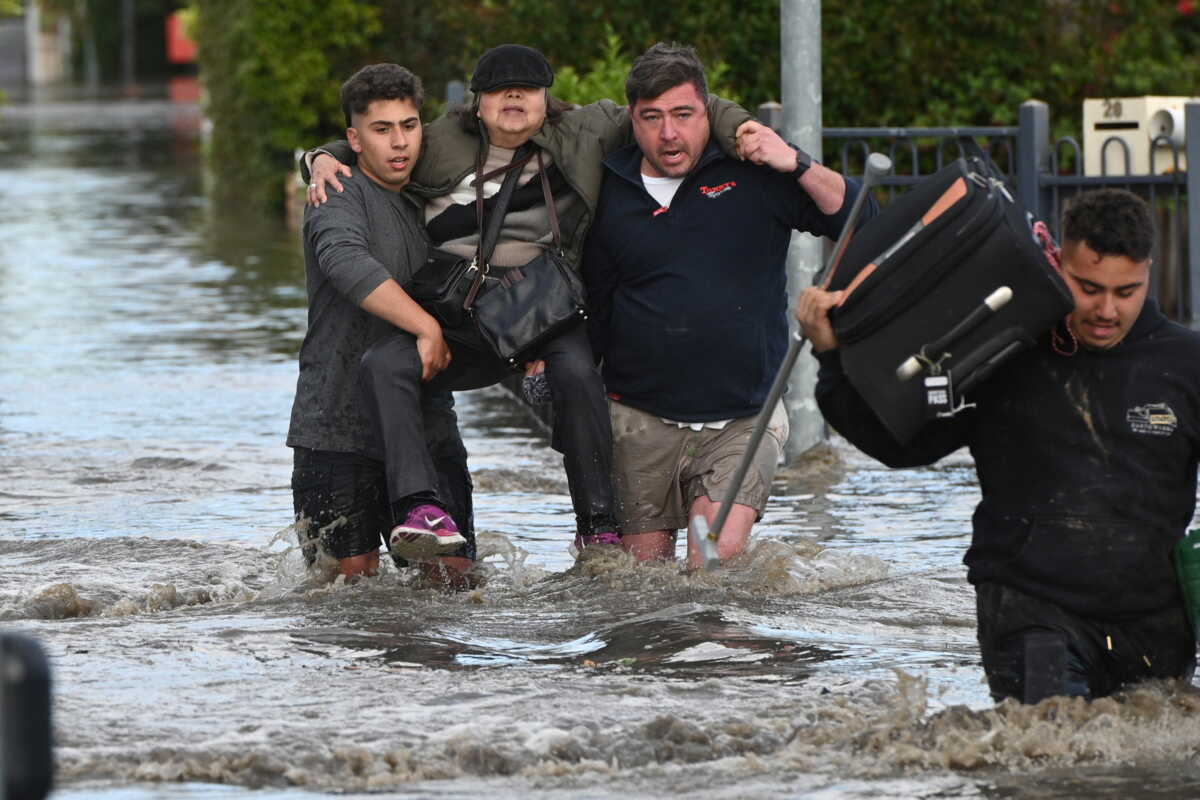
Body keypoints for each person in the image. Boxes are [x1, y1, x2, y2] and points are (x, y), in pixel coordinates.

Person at [305, 44, 758, 558]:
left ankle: (597, 524)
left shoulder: (585, 129)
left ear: (548, 99)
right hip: (459, 312)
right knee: (384, 361)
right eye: (499, 90)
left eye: (528, 88)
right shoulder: (436, 140)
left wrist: (744, 130)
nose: (514, 97)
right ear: (477, 103)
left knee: (579, 372)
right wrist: (319, 159)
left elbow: (687, 104)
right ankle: (418, 505)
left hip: (540, 308)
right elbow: (377, 138)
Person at [796, 188, 1200, 703]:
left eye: (1126, 292)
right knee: (1043, 760)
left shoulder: (1187, 365)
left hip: (1154, 623)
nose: (1105, 309)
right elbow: (902, 445)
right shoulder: (1005, 345)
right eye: (1088, 287)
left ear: (1148, 272)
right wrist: (831, 361)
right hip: (1032, 611)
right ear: (1058, 261)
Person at [582, 42, 878, 570]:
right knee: (639, 591)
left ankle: (719, 657)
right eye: (652, 118)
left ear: (707, 111)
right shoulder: (608, 185)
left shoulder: (754, 172)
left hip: (744, 417)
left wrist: (797, 161)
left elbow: (859, 216)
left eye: (682, 115)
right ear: (633, 119)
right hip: (637, 420)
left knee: (711, 570)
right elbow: (596, 303)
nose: (668, 133)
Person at [288, 63, 474, 583]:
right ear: (355, 138)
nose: (399, 143)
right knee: (348, 591)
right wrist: (426, 328)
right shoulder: (336, 192)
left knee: (455, 580)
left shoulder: (434, 194)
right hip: (336, 424)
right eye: (381, 129)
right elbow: (345, 261)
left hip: (427, 418)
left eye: (409, 126)